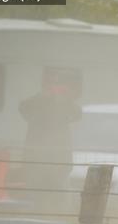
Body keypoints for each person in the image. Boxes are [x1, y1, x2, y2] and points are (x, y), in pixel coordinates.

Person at [18, 70, 82, 208]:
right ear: (43, 85)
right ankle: (36, 215)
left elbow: (77, 114)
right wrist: (41, 96)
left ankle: (57, 215)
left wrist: (66, 97)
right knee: (36, 193)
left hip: (59, 158)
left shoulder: (65, 102)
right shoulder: (34, 102)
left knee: (58, 193)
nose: (53, 87)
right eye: (50, 84)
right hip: (36, 158)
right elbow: (22, 108)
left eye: (56, 84)